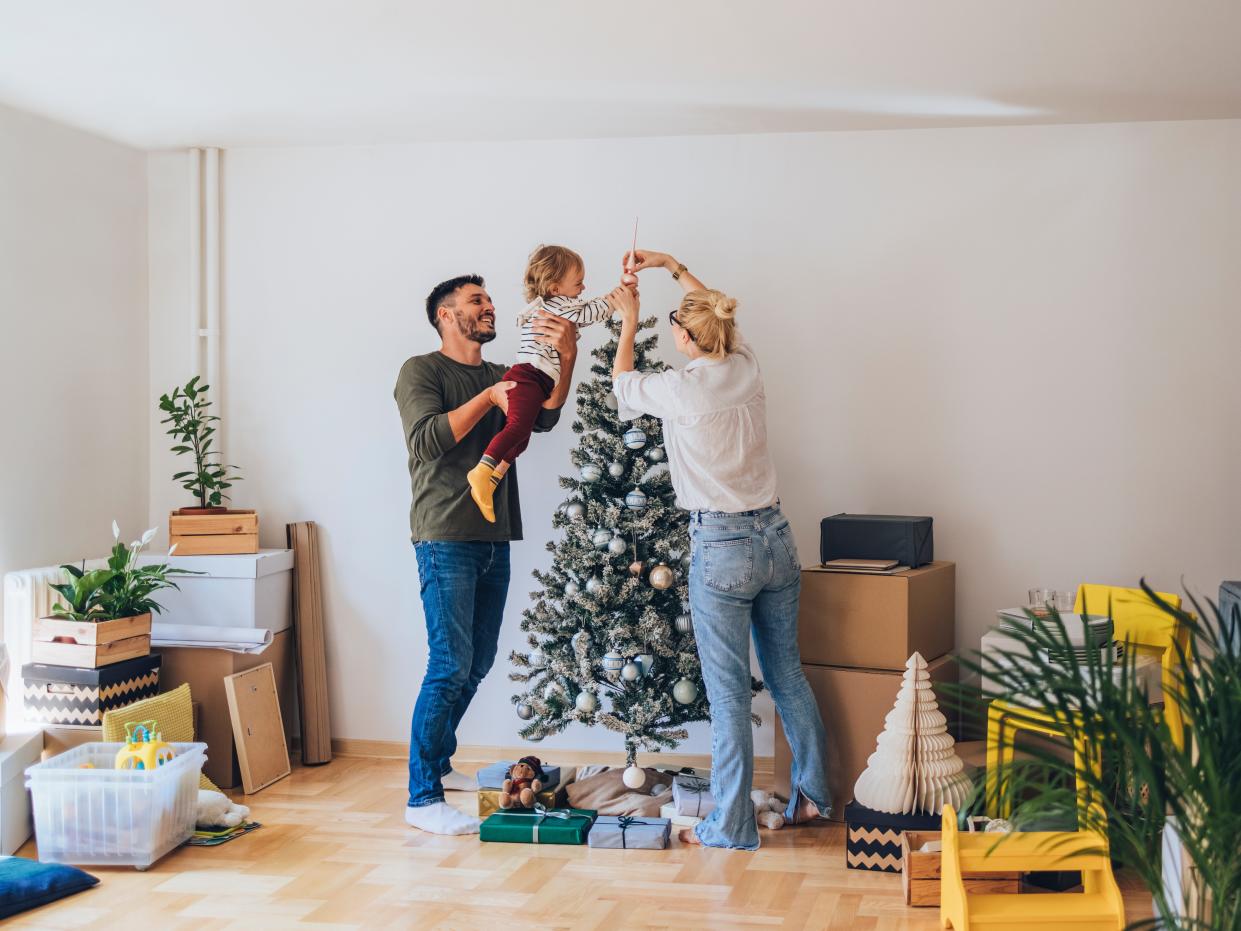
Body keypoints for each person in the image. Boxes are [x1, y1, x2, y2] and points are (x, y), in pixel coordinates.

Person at [610, 250, 831, 850]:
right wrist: (673, 265)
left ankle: (730, 824)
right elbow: (719, 317)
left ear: (682, 335)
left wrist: (629, 319)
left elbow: (622, 386)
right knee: (787, 674)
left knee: (729, 692)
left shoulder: (680, 389)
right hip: (777, 539)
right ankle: (813, 793)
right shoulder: (746, 364)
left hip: (722, 546)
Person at [394, 273, 578, 835]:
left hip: (495, 537)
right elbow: (425, 440)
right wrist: (488, 397)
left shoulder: (503, 373)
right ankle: (421, 799)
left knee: (475, 664)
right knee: (448, 665)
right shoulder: (421, 371)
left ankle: (437, 763)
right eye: (477, 301)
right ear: (446, 316)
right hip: (444, 535)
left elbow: (543, 417)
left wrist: (566, 356)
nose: (490, 307)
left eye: (490, 300)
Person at [466, 244, 629, 522]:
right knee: (517, 428)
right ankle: (482, 470)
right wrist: (619, 297)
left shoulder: (554, 305)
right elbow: (590, 312)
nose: (583, 286)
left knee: (522, 438)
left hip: (534, 378)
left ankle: (493, 480)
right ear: (555, 288)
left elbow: (586, 312)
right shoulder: (559, 306)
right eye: (578, 283)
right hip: (529, 376)